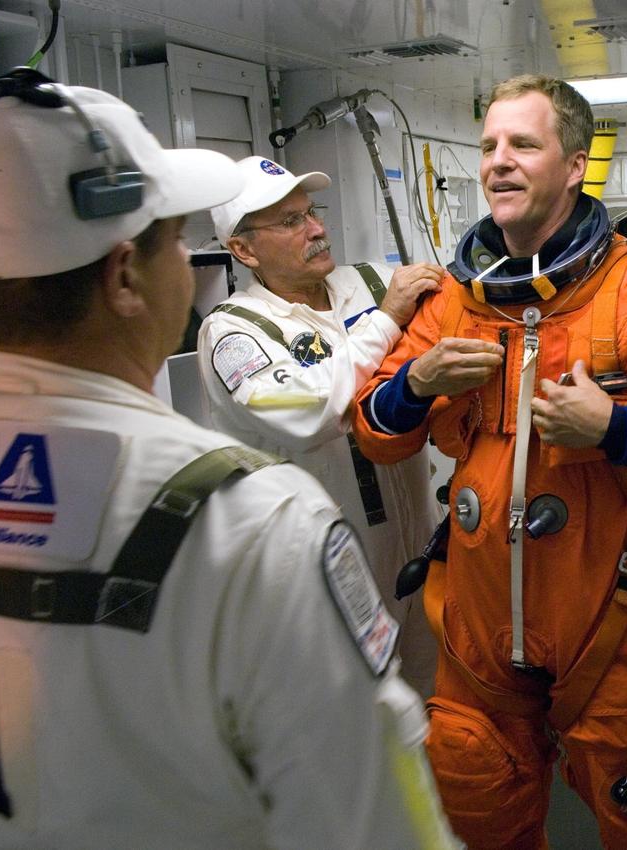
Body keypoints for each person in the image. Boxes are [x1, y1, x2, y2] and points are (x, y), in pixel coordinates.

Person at [0, 71, 455, 849]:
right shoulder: (248, 520)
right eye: (176, 240)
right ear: (125, 278)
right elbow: (380, 823)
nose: (190, 262)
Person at [351, 74, 627, 850]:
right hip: (476, 632)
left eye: (523, 145)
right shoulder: (453, 301)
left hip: (604, 622)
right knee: (475, 818)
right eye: (489, 147)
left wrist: (617, 430)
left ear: (574, 164)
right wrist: (415, 381)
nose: (498, 163)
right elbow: (376, 433)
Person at [198, 156, 445, 695]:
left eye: (312, 212)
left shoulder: (374, 283)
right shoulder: (234, 331)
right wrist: (388, 321)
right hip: (328, 559)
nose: (316, 229)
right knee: (359, 710)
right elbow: (311, 411)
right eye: (290, 222)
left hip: (421, 537)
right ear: (243, 249)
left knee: (438, 704)